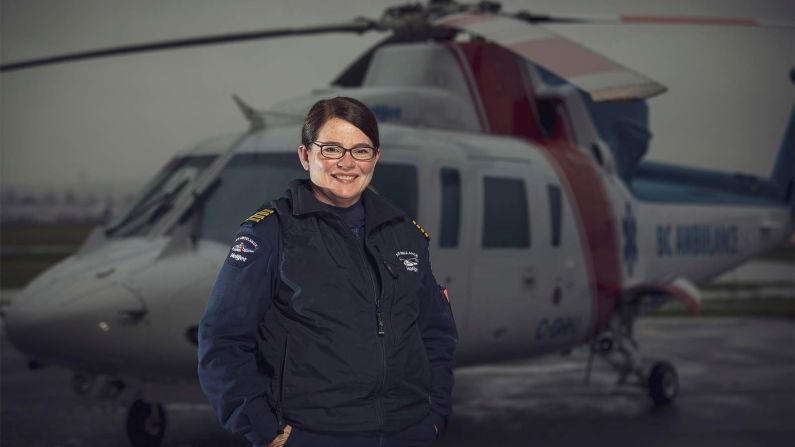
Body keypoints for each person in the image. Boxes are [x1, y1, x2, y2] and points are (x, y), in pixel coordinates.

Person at [197, 96, 458, 447]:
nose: (347, 163)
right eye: (332, 149)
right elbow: (222, 340)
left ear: (375, 158)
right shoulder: (270, 235)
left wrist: (434, 415)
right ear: (306, 156)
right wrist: (262, 429)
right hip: (313, 437)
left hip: (407, 434)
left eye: (361, 151)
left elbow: (436, 333)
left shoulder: (405, 234)